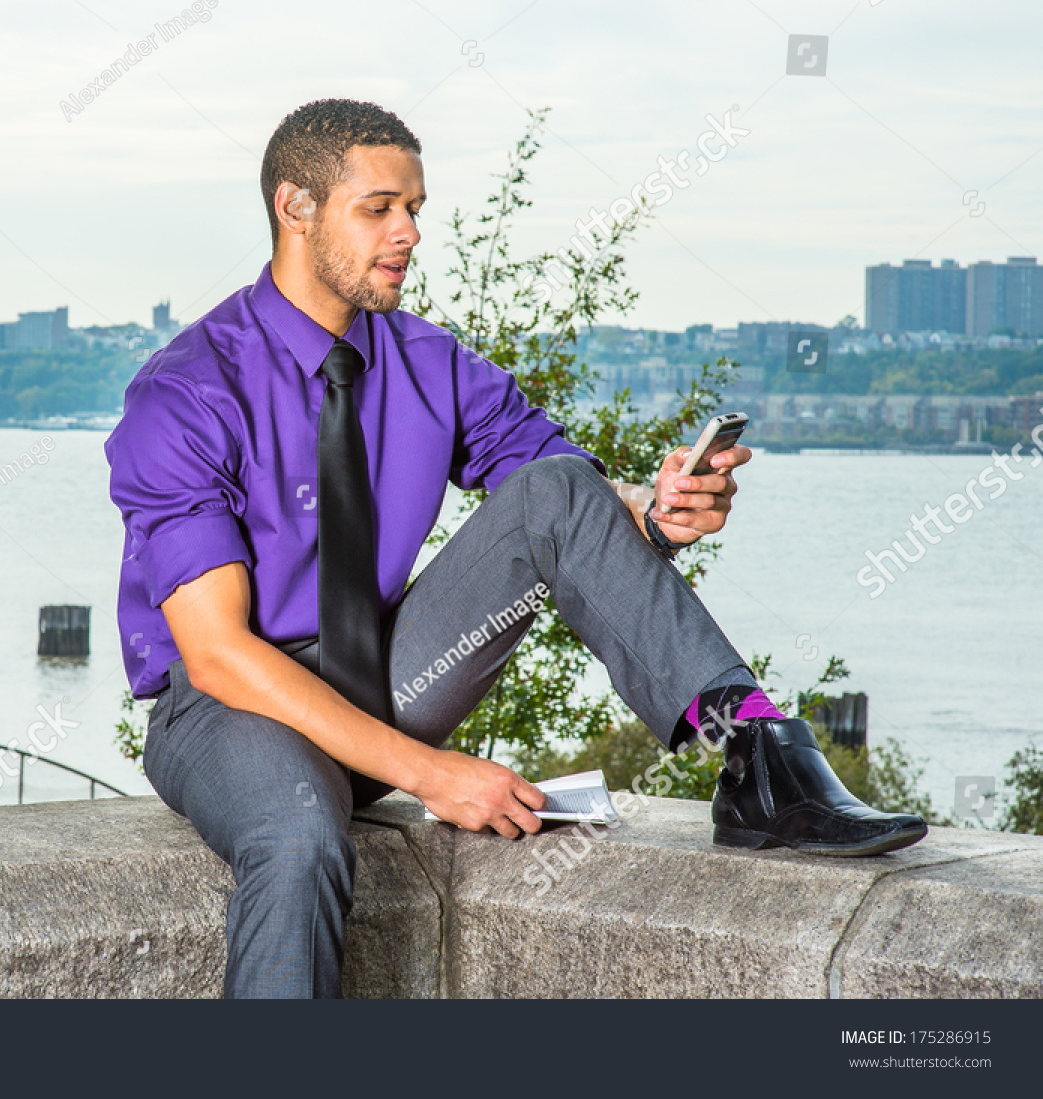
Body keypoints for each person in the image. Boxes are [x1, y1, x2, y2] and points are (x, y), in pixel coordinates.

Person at [104, 98, 925, 999]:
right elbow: (218, 655)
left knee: (561, 485)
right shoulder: (186, 391)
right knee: (299, 835)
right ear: (294, 207)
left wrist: (656, 511)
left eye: (416, 207)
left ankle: (762, 761)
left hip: (383, 677)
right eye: (378, 208)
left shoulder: (427, 360)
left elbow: (565, 504)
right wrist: (435, 775)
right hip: (229, 709)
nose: (410, 232)